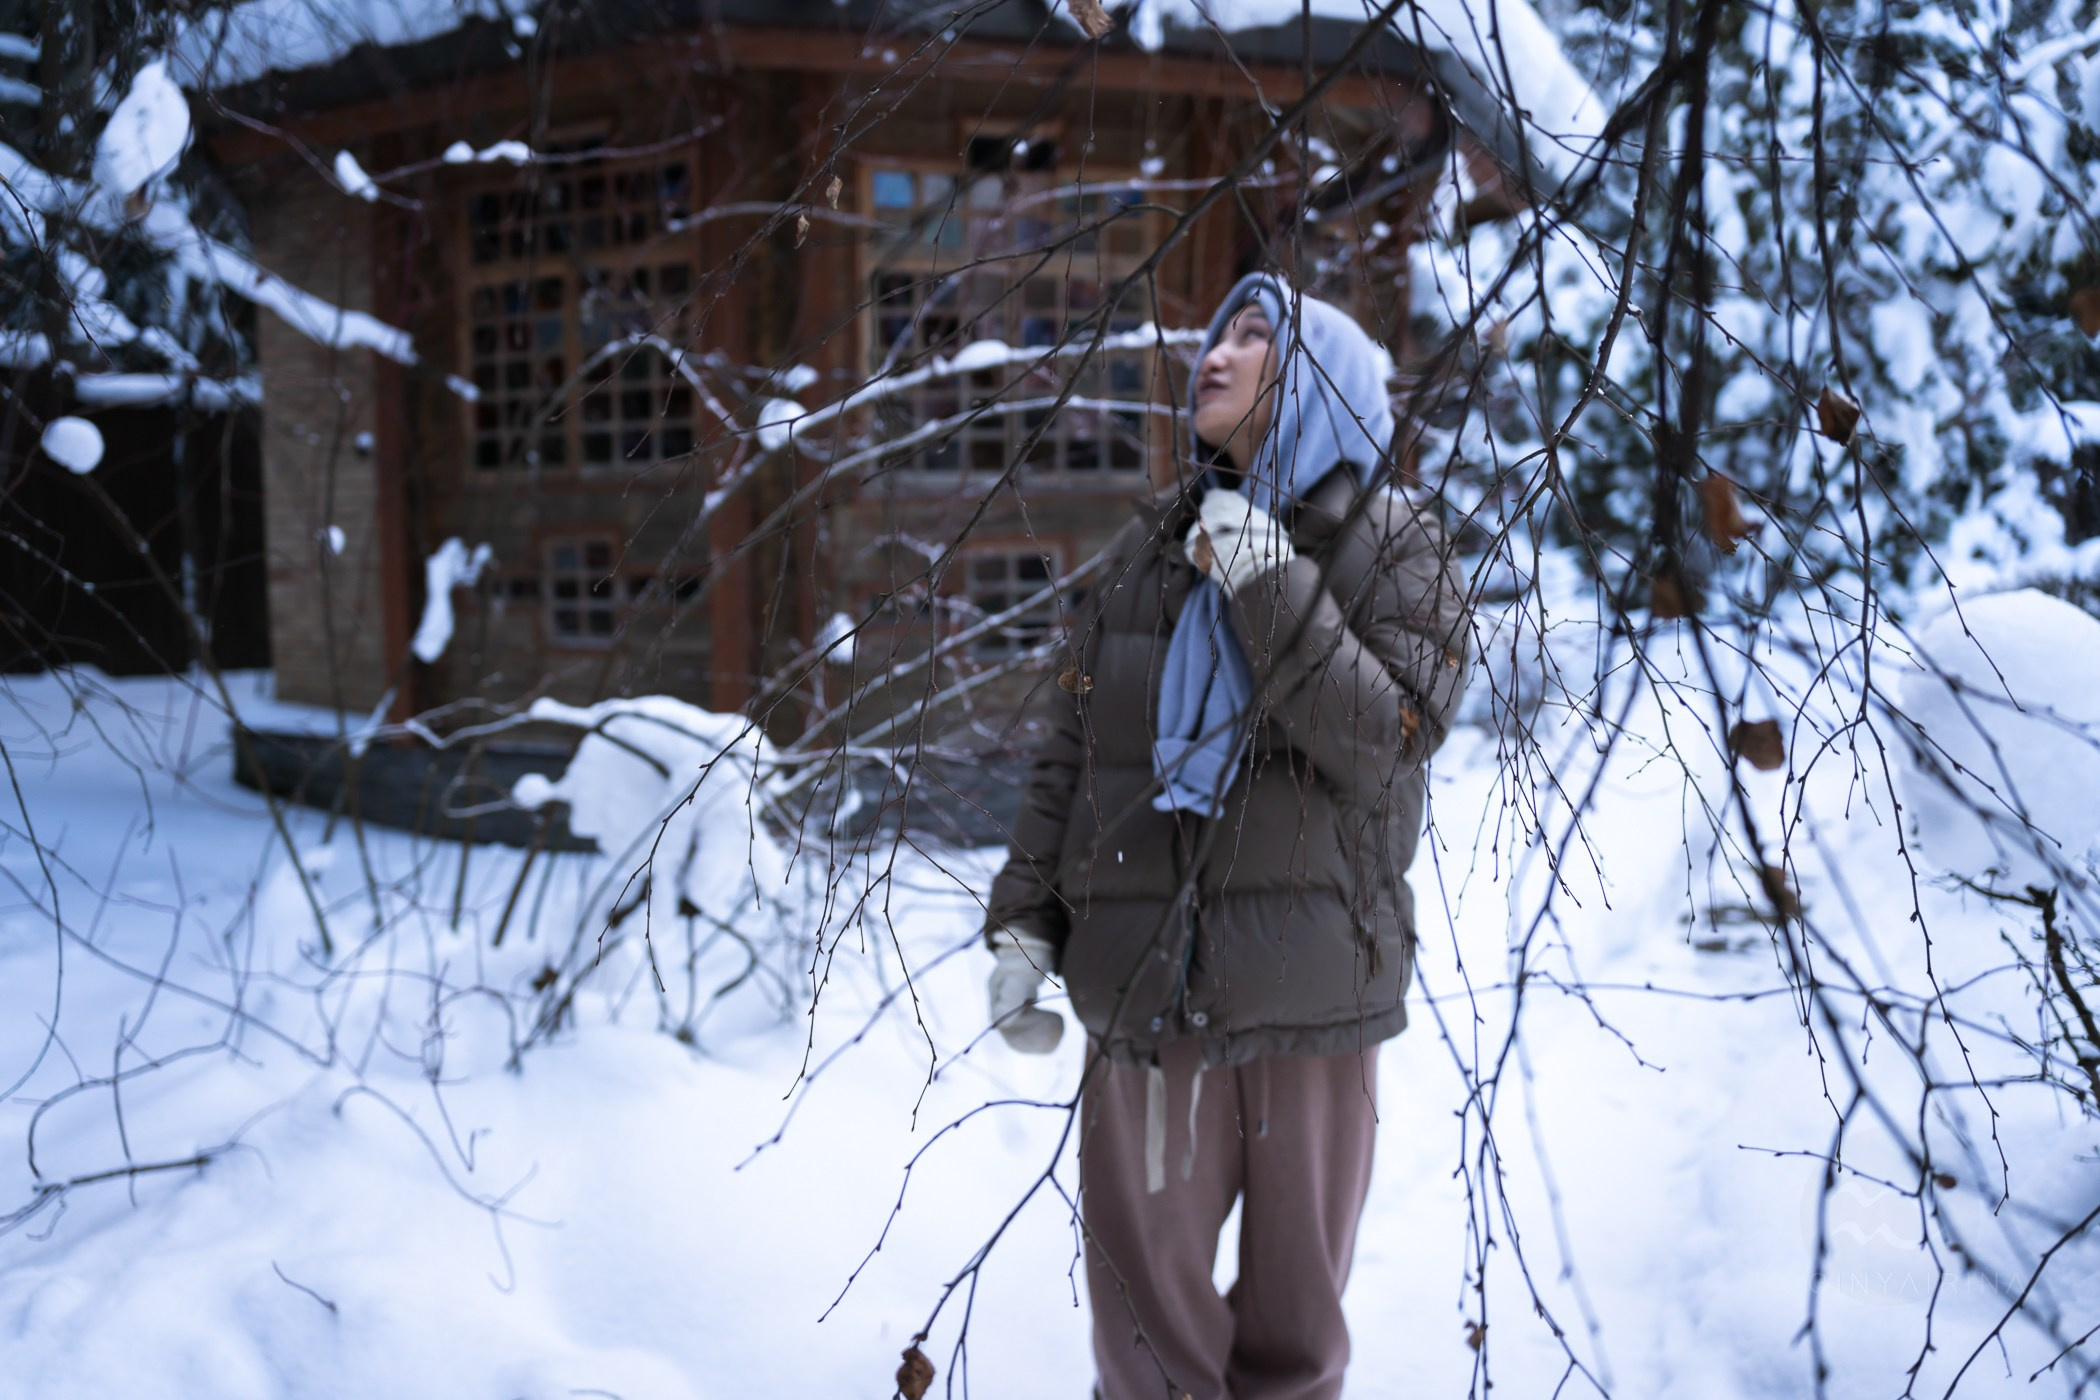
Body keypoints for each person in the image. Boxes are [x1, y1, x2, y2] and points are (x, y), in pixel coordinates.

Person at [980, 272, 1473, 1400]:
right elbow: (1073, 754)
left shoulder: (1400, 549)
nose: (1217, 352)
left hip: (1311, 1000)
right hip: (1143, 994)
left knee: (1292, 1345)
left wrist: (1266, 577)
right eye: (1217, 333)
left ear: (1325, 385)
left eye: (1257, 338)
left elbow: (1385, 737)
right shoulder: (1149, 554)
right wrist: (1023, 928)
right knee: (1141, 1336)